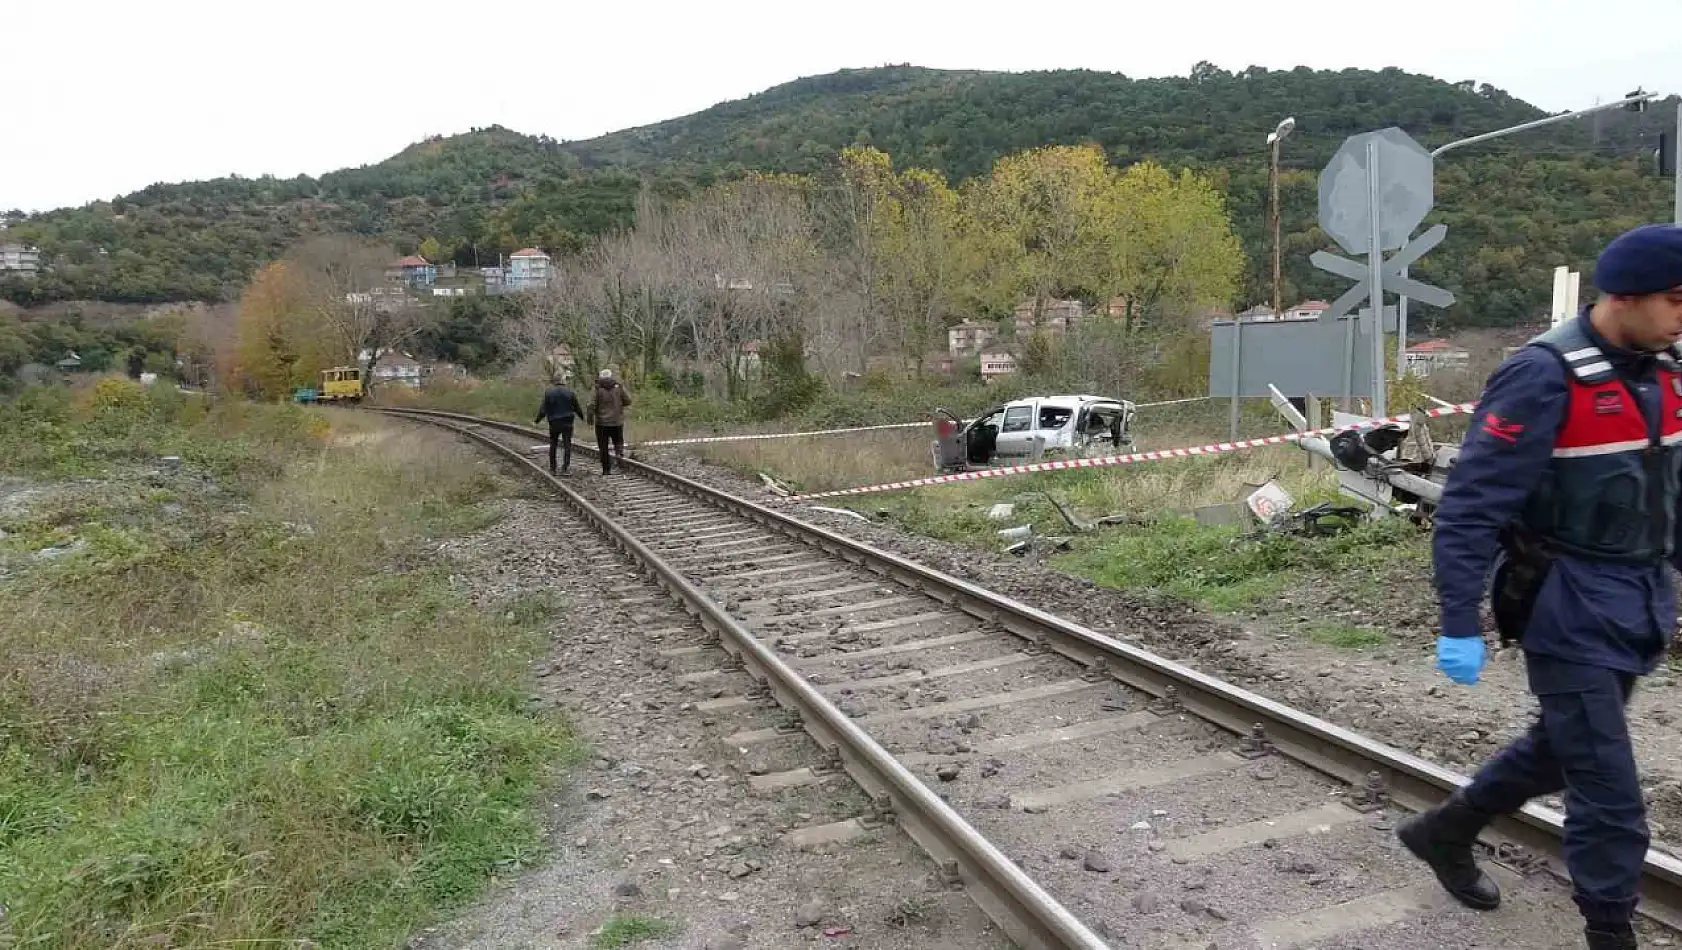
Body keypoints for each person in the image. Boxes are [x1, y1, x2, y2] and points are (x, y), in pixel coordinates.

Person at [1399, 224, 1682, 950]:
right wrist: (1459, 618)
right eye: (1678, 300)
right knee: (1610, 794)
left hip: (1640, 600)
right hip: (1567, 606)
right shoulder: (1542, 376)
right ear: (1624, 296)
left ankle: (1445, 830)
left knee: (1564, 749)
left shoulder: (1663, 372)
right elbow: (1469, 508)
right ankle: (1610, 932)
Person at [533, 373, 584, 475]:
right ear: (562, 381)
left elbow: (543, 410)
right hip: (567, 422)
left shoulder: (549, 393)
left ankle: (553, 468)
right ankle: (565, 468)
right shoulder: (570, 392)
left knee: (553, 444)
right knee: (567, 445)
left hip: (554, 422)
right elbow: (577, 407)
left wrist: (537, 421)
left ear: (554, 381)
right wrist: (582, 417)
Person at [589, 368, 632, 475]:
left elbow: (591, 405)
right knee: (618, 442)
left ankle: (606, 470)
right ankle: (619, 456)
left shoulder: (597, 388)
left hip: (601, 423)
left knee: (603, 447)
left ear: (600, 377)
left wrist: (590, 418)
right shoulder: (618, 386)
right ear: (611, 376)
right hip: (617, 422)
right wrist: (619, 406)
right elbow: (628, 400)